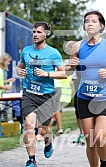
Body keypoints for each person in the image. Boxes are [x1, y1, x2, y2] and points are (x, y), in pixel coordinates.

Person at [66, 11, 106, 167]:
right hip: (84, 99)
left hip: (104, 99)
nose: (89, 23)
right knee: (90, 141)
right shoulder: (78, 46)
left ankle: (104, 163)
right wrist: (71, 65)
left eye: (93, 21)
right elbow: (68, 72)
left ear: (101, 26)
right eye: (87, 21)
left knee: (99, 137)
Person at [16, 21, 66, 167]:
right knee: (29, 124)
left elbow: (64, 73)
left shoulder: (53, 53)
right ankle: (31, 159)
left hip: (46, 96)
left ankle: (48, 142)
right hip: (29, 93)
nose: (35, 35)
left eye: (38, 32)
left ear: (46, 34)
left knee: (45, 129)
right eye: (33, 32)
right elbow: (19, 67)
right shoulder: (26, 51)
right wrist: (20, 71)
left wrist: (47, 74)